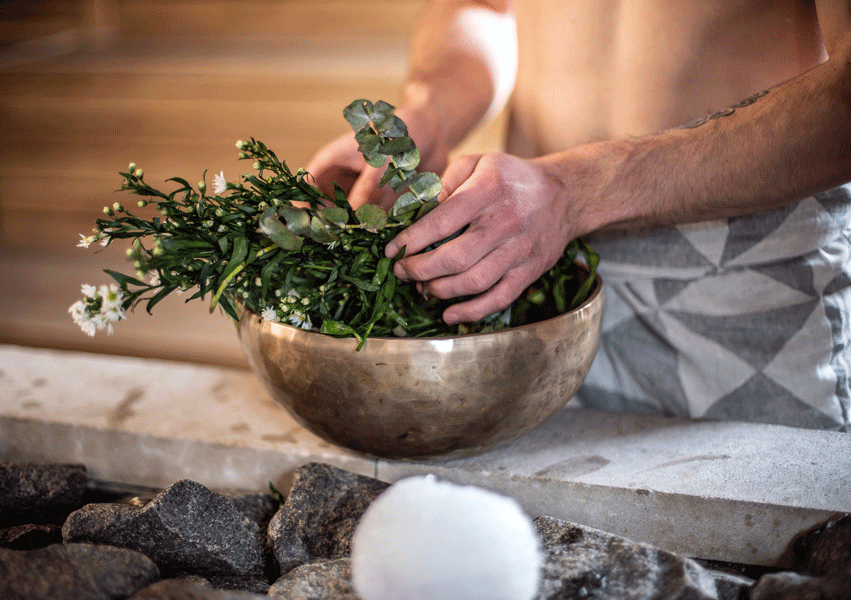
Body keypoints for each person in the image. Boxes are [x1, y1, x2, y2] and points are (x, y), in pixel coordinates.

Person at [305, 0, 851, 431]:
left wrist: (576, 190)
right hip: (528, 263)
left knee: (758, 550)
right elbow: (485, 6)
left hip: (746, 275)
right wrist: (434, 109)